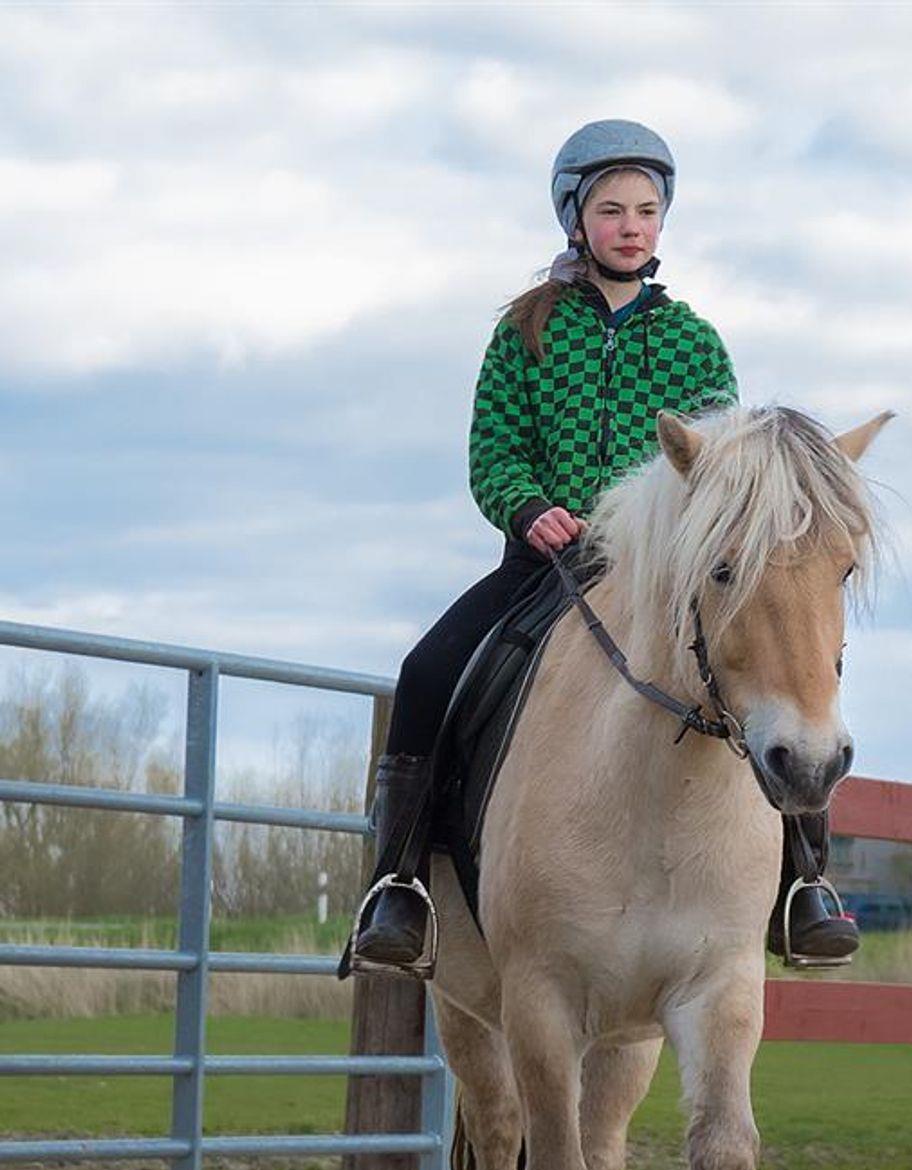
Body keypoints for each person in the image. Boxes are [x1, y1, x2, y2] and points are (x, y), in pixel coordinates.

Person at [341, 119, 858, 980]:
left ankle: (803, 884)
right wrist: (528, 507)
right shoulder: (527, 330)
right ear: (576, 219)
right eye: (612, 210)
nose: (631, 227)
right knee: (426, 672)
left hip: (657, 574)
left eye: (647, 211)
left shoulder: (693, 341)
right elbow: (493, 451)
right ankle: (400, 886)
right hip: (544, 567)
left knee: (781, 667)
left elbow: (728, 475)